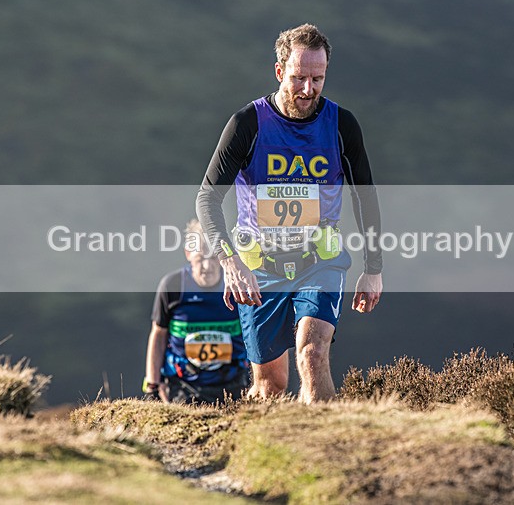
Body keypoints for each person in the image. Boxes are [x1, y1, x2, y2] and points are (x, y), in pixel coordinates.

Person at [196, 23, 383, 403]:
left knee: (313, 353)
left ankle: (326, 453)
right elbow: (207, 198)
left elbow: (366, 196)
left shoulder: (341, 125)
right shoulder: (247, 124)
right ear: (280, 72)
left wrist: (373, 267)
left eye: (318, 78)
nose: (308, 90)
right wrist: (230, 263)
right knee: (271, 386)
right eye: (299, 78)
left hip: (321, 261)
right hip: (260, 269)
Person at [143, 219, 250, 404]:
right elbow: (158, 334)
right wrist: (152, 384)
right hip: (183, 386)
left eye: (213, 258)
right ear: (188, 254)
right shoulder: (173, 285)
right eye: (200, 258)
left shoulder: (237, 284)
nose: (207, 267)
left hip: (234, 384)